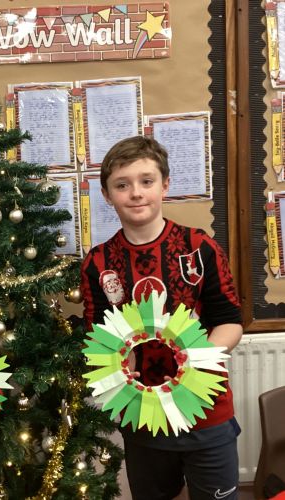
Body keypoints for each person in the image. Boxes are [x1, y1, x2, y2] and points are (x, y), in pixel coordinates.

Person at [80, 136, 243, 500]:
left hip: (206, 410)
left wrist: (192, 364)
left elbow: (230, 322)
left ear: (165, 185)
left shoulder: (199, 247)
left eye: (146, 181)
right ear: (107, 195)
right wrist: (118, 363)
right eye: (122, 185)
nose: (136, 193)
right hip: (144, 416)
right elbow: (98, 336)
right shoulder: (98, 263)